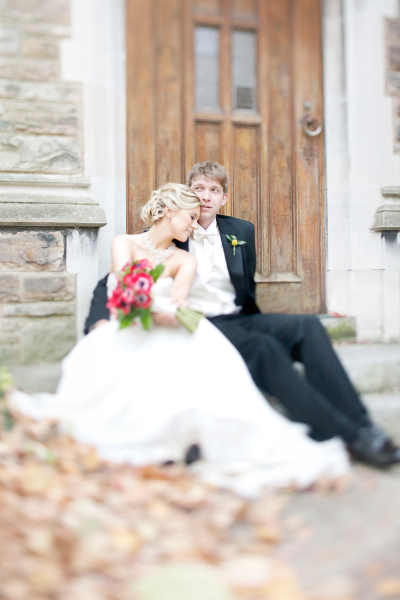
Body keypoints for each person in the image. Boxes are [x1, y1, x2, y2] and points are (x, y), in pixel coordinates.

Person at [10, 183, 351, 498]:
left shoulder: (184, 259)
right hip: (128, 326)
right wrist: (147, 308)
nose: (193, 224)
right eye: (190, 217)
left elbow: (179, 297)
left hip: (168, 329)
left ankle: (184, 445)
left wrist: (173, 309)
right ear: (169, 212)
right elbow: (127, 286)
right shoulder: (123, 243)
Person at [86, 162, 400, 469]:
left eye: (214, 190)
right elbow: (119, 282)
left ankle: (362, 424)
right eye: (198, 189)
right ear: (186, 197)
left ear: (224, 197)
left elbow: (245, 289)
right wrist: (97, 323)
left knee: (308, 326)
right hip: (200, 324)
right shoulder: (171, 233)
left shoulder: (241, 231)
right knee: (265, 350)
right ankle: (346, 436)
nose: (206, 196)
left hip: (238, 317)